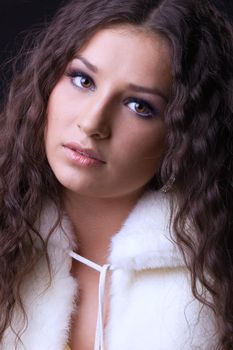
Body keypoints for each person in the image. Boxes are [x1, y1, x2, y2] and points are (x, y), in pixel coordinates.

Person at [0, 0, 232, 349]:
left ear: (185, 134)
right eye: (83, 80)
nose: (92, 123)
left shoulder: (218, 278)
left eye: (139, 106)